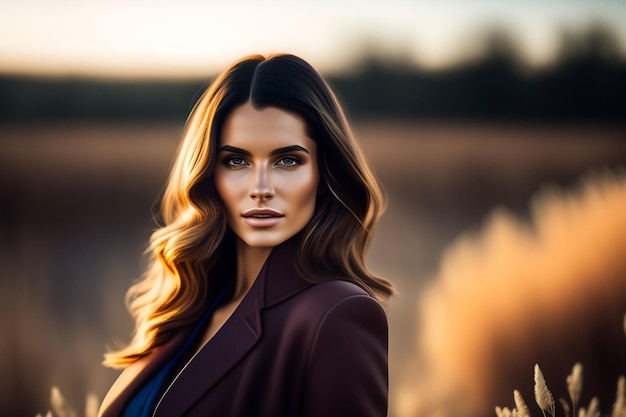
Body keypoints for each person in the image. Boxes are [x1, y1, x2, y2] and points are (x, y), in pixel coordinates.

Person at [97, 53, 394, 417]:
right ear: (209, 174)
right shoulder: (190, 305)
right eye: (236, 161)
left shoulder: (337, 315)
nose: (260, 188)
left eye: (287, 160)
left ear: (324, 173)